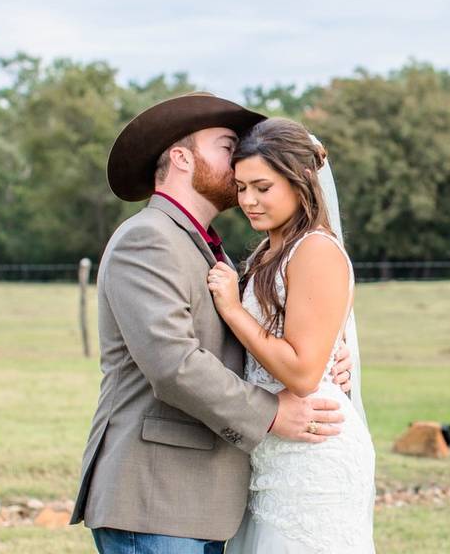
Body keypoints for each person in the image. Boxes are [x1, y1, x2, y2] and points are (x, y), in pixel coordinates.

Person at [69, 93, 354, 554]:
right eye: (226, 144)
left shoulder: (212, 249)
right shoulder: (148, 238)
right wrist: (273, 411)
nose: (240, 154)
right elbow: (174, 365)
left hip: (200, 500)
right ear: (181, 158)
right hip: (155, 498)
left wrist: (325, 357)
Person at [207, 117, 376, 553]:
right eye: (241, 187)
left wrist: (230, 307)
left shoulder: (316, 250)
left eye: (263, 187)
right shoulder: (269, 251)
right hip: (274, 454)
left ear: (301, 180)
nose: (248, 200)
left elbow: (302, 373)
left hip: (314, 458)